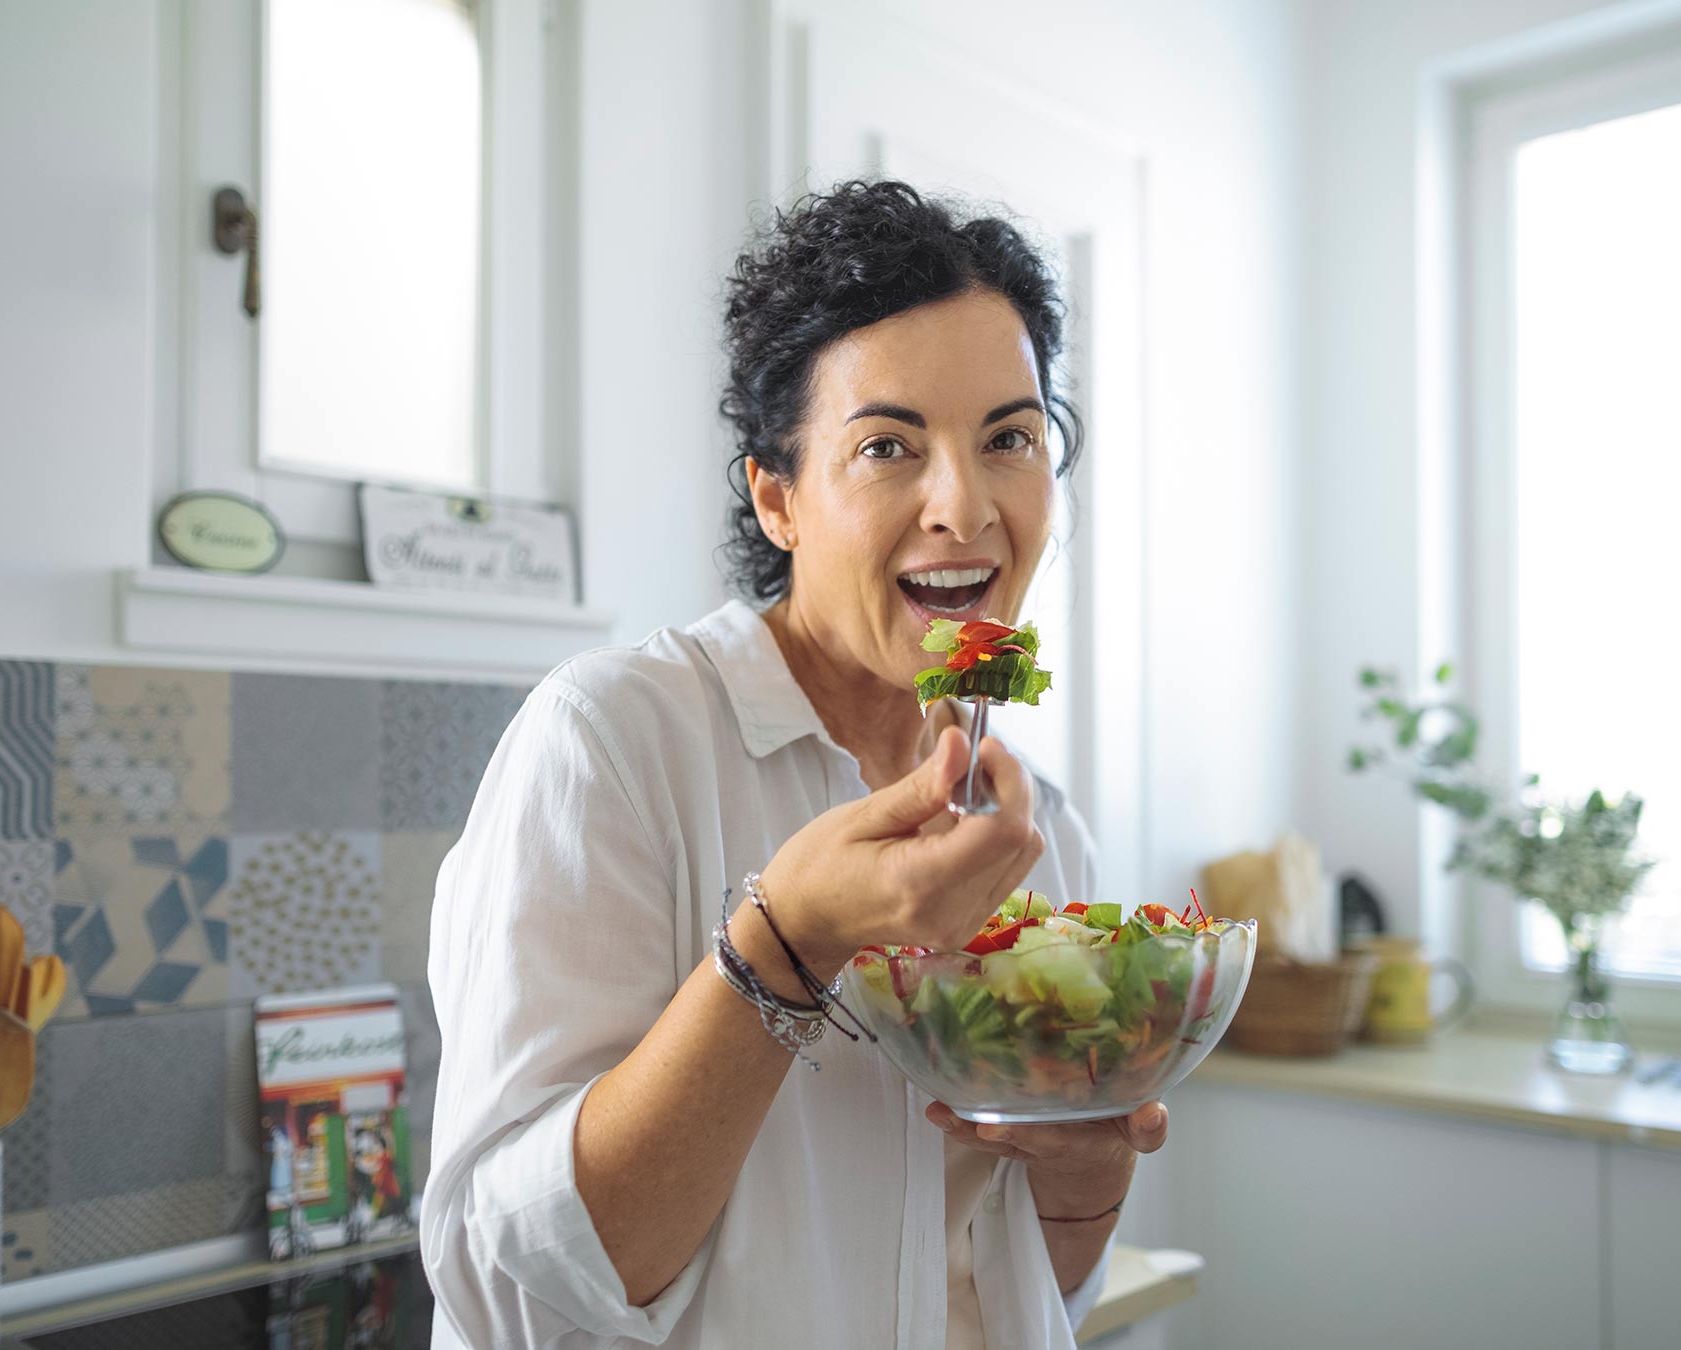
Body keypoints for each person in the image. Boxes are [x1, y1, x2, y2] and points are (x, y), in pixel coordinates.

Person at [424, 180, 1166, 1348]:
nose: (964, 507)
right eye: (888, 446)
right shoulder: (613, 741)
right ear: (778, 498)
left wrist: (1082, 1174)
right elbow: (518, 1279)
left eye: (1009, 438)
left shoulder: (1038, 828)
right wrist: (789, 946)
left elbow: (1014, 1282)